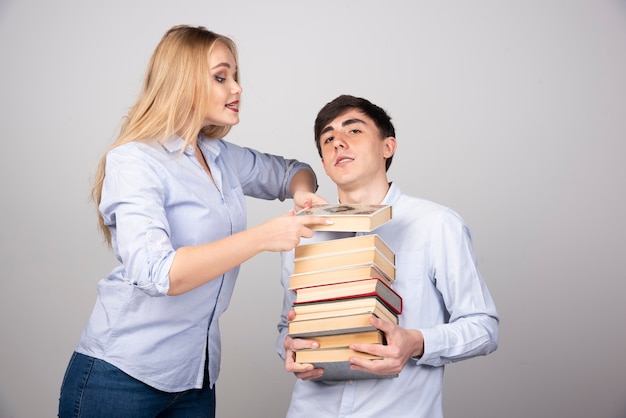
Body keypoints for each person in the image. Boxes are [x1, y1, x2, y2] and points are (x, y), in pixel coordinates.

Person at [58, 25, 331, 418]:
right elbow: (159, 273)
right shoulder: (135, 161)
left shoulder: (220, 156)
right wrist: (264, 237)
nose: (237, 88)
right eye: (221, 77)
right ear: (181, 83)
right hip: (120, 375)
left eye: (235, 76)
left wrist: (302, 194)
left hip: (195, 380)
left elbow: (293, 171)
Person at [276, 95, 499, 417]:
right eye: (328, 138)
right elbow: (286, 324)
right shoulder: (303, 233)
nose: (338, 142)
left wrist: (416, 342)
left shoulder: (435, 224)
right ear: (323, 163)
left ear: (387, 147)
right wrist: (290, 347)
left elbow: (484, 327)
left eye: (353, 131)